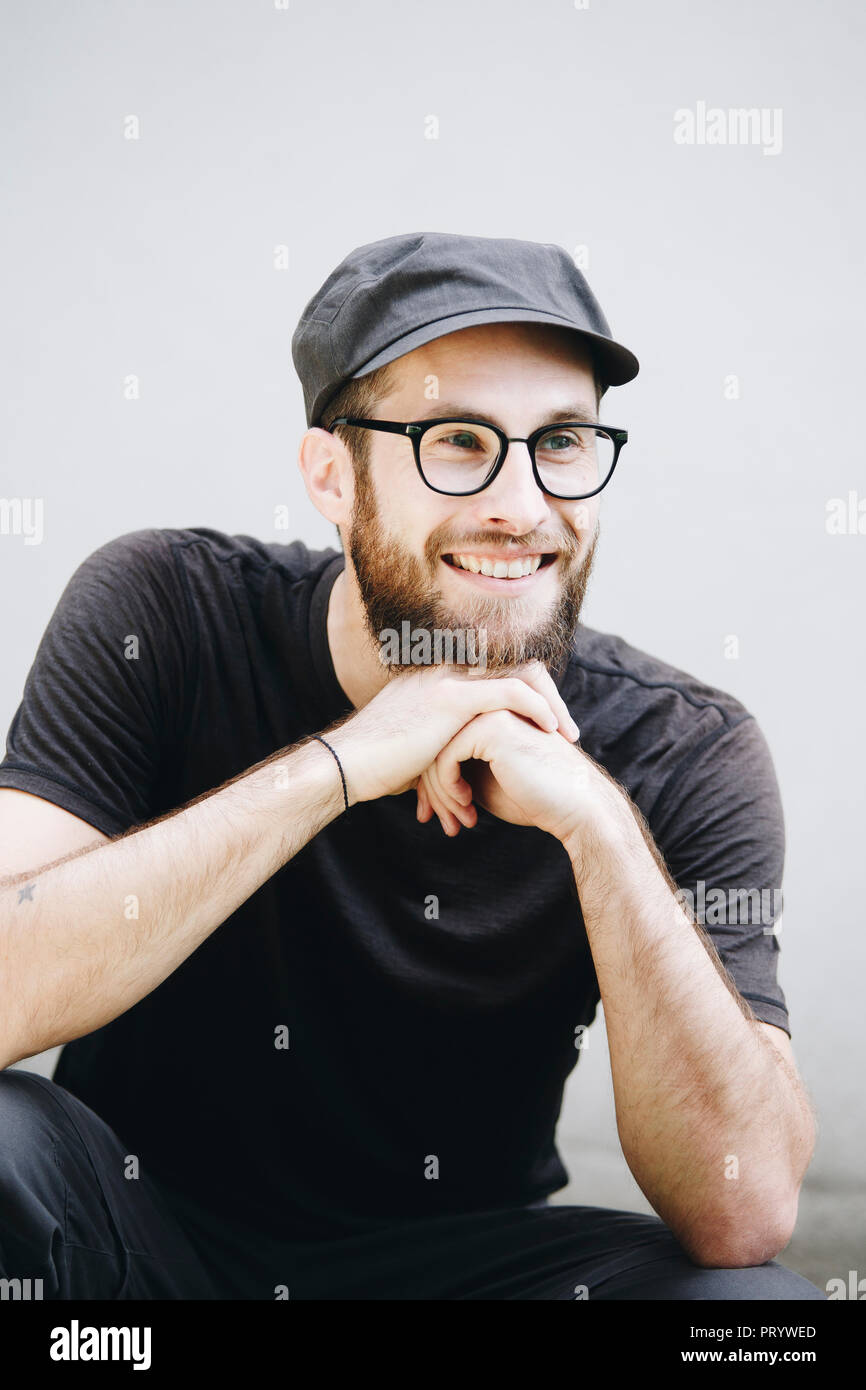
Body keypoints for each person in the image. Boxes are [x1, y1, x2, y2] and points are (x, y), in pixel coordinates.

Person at [0, 232, 824, 1300]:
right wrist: (343, 762)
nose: (521, 506)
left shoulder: (682, 745)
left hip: (458, 1280)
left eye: (561, 442)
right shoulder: (161, 609)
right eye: (456, 440)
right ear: (331, 476)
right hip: (143, 1253)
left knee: (752, 1316)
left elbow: (744, 1204)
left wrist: (601, 831)